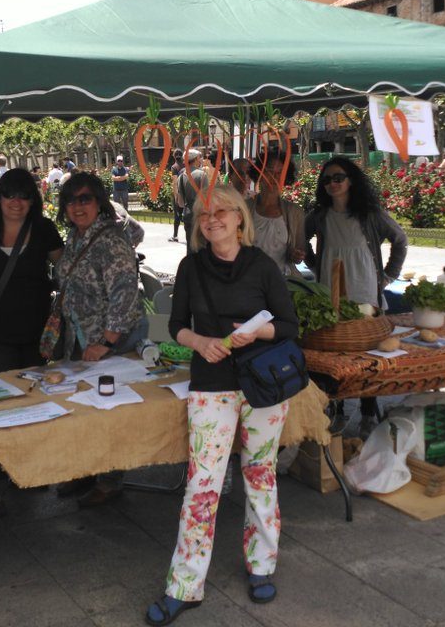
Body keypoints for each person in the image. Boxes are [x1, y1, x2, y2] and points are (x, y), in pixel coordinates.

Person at [146, 184, 298, 625]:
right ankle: (184, 585)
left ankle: (262, 563)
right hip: (211, 384)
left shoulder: (262, 266)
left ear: (238, 218)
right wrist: (202, 341)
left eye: (220, 212)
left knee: (260, 475)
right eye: (203, 215)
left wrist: (257, 333)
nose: (211, 220)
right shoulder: (191, 267)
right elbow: (175, 325)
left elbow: (289, 325)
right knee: (202, 485)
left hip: (262, 386)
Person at [53, 172, 148, 507]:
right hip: (81, 334)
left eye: (85, 199)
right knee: (83, 408)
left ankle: (109, 480)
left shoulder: (110, 240)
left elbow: (125, 295)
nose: (78, 206)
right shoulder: (76, 237)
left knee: (110, 412)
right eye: (71, 200)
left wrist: (106, 342)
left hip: (109, 340)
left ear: (99, 202)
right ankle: (85, 470)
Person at [304, 156, 408, 438]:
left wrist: (388, 275)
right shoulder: (320, 216)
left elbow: (400, 239)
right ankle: (337, 409)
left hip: (365, 292)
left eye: (338, 178)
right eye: (326, 180)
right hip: (331, 293)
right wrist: (315, 265)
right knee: (333, 352)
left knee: (365, 355)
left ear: (351, 180)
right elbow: (300, 240)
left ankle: (367, 412)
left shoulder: (369, 214)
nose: (332, 184)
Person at [0, 168, 63, 373]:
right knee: (6, 395)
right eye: (10, 194)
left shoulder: (44, 230)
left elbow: (67, 269)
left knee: (35, 396)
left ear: (33, 200)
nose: (17, 201)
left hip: (37, 334)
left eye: (24, 195)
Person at [247, 153, 306, 277]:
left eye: (280, 172)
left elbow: (299, 250)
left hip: (284, 283)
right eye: (269, 171)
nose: (274, 176)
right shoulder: (244, 209)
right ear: (259, 173)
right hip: (249, 282)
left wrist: (295, 255)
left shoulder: (295, 212)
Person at [176, 149, 206, 251]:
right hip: (201, 215)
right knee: (202, 247)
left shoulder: (181, 176)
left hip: (188, 215)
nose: (201, 160)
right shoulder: (202, 175)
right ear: (196, 159)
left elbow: (180, 203)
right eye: (200, 157)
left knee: (190, 247)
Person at [168, 148, 184, 242]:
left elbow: (175, 182)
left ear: (173, 156)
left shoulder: (174, 167)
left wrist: (176, 196)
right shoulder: (186, 165)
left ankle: (175, 235)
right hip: (187, 192)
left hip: (179, 193)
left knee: (177, 216)